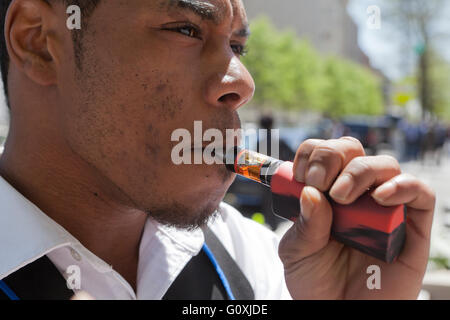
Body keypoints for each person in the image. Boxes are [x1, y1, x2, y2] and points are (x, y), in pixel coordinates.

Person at [0, 0, 435, 300]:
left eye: (237, 47)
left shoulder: (262, 264)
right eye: (185, 30)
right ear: (39, 42)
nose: (243, 83)